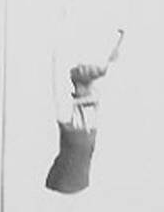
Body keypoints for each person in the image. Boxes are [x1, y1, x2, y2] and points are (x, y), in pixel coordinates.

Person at [45, 29, 123, 194]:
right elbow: (57, 70)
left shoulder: (93, 108)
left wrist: (119, 42)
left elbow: (109, 69)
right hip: (62, 185)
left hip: (80, 186)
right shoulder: (68, 108)